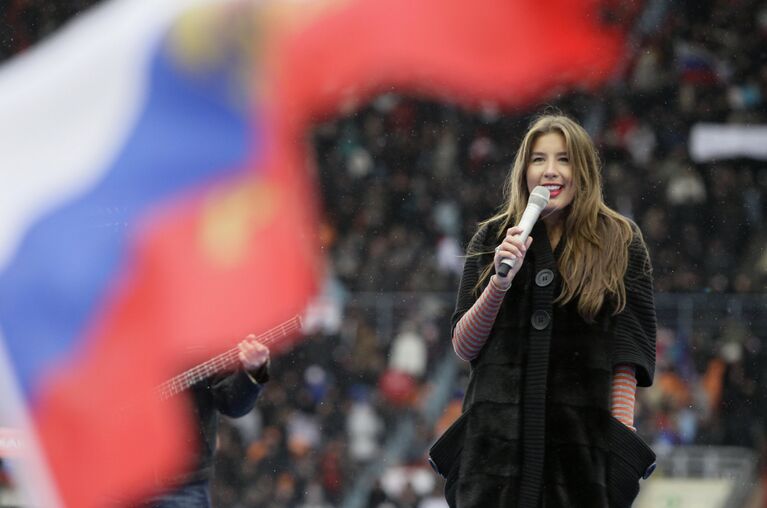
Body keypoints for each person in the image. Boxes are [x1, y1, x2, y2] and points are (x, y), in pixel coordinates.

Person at [435, 114, 657, 507]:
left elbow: (629, 355)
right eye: (538, 159)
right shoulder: (492, 238)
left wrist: (618, 453)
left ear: (584, 169)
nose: (550, 171)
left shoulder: (621, 241)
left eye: (564, 159)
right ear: (524, 171)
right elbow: (465, 345)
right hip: (493, 468)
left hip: (581, 468)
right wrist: (499, 283)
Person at [144, 335, 271, 508]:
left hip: (181, 481)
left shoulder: (203, 329)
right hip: (112, 480)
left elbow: (231, 402)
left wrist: (253, 371)